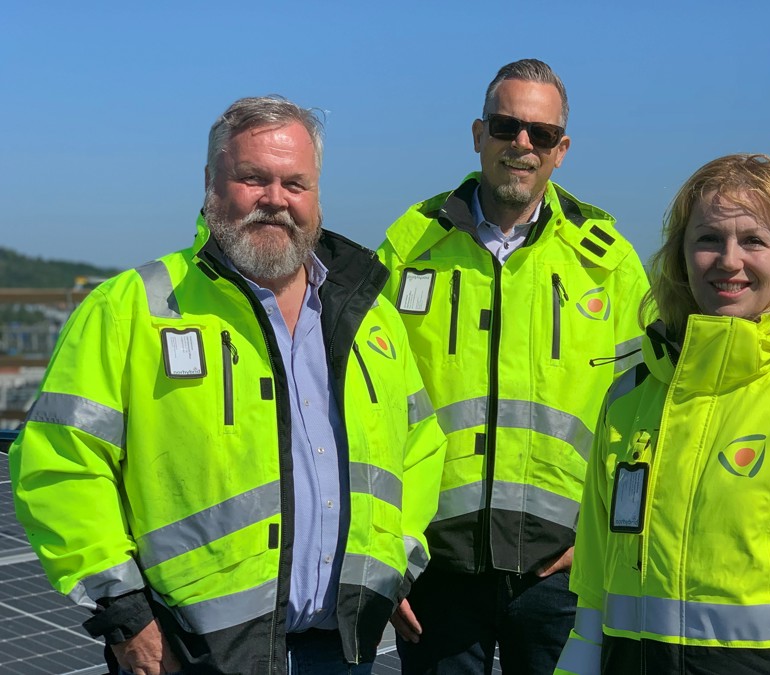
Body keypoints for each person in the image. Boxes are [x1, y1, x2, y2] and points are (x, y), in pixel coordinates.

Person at [9, 96, 447, 675]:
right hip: (187, 650)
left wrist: (391, 565)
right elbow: (61, 465)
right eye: (252, 178)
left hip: (338, 648)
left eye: (296, 183)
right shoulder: (133, 309)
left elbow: (419, 448)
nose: (276, 199)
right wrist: (123, 613)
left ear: (317, 194)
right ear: (211, 184)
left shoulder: (370, 316)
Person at [555, 153, 770, 675]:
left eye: (753, 240)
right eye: (708, 239)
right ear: (679, 256)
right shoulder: (627, 403)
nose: (729, 260)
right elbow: (592, 596)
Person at [376, 59, 650, 674]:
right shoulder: (408, 247)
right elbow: (366, 409)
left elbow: (648, 412)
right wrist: (382, 547)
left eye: (541, 134)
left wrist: (605, 537)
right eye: (506, 127)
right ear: (479, 135)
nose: (521, 145)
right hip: (436, 571)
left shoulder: (607, 261)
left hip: (563, 571)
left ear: (562, 149)